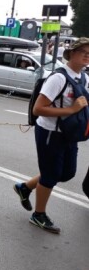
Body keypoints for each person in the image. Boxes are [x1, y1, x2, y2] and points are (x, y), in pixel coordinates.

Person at [13, 38, 89, 234]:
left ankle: (25, 187)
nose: (87, 55)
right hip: (50, 133)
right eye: (83, 51)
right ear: (71, 53)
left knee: (67, 173)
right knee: (51, 175)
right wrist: (71, 110)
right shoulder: (58, 78)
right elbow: (39, 108)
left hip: (70, 133)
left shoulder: (84, 78)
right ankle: (38, 215)